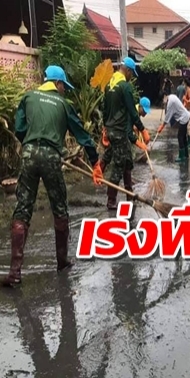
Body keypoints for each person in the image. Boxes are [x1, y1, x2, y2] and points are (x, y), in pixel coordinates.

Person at [2, 65, 100, 286]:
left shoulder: (28, 97)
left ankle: (15, 273)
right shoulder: (64, 105)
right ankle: (63, 262)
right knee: (59, 206)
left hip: (28, 154)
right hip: (51, 157)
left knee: (23, 207)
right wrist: (95, 163)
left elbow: (19, 128)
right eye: (64, 86)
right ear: (57, 83)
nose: (64, 90)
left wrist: (32, 144)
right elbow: (82, 136)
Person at [94, 57, 150, 210]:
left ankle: (129, 193)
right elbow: (132, 111)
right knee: (119, 164)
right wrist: (143, 130)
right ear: (128, 71)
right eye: (132, 74)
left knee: (126, 159)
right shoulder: (125, 87)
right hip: (119, 131)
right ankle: (111, 200)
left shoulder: (109, 85)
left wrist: (105, 128)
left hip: (112, 129)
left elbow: (105, 109)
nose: (132, 78)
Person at [100, 96, 151, 190]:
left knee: (123, 159)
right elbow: (129, 133)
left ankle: (128, 186)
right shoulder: (131, 111)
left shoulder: (135, 111)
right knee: (117, 159)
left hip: (118, 134)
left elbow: (135, 124)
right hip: (116, 134)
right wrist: (140, 144)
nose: (145, 113)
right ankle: (100, 177)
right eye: (144, 110)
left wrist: (141, 131)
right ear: (139, 106)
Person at [157, 93, 190, 162]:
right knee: (183, 136)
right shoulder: (172, 96)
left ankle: (182, 156)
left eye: (162, 100)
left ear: (164, 96)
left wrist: (161, 127)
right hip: (185, 116)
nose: (163, 102)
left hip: (183, 118)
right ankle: (186, 154)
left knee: (180, 136)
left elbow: (167, 116)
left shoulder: (170, 103)